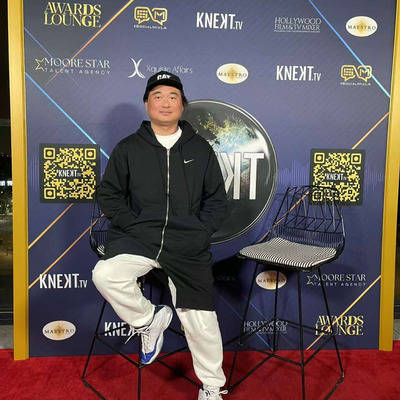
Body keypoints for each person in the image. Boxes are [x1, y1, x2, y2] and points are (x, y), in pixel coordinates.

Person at [92, 71, 228, 400]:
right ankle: (148, 320)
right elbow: (108, 194)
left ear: (182, 105)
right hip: (139, 238)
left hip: (186, 243)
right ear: (146, 104)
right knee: (105, 274)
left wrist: (200, 232)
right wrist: (132, 223)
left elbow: (217, 201)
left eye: (172, 96)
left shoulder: (200, 149)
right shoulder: (128, 148)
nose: (165, 102)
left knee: (200, 319)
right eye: (157, 96)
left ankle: (212, 387)